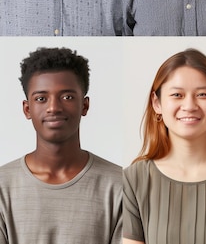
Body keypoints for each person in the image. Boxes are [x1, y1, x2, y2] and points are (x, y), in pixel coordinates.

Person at [123, 49, 206, 244]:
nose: (189, 105)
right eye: (177, 95)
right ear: (157, 103)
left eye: (202, 94)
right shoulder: (132, 181)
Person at [0, 47, 122, 243]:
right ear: (27, 109)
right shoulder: (3, 186)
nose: (54, 108)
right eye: (41, 98)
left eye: (67, 97)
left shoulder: (120, 185)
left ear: (85, 105)